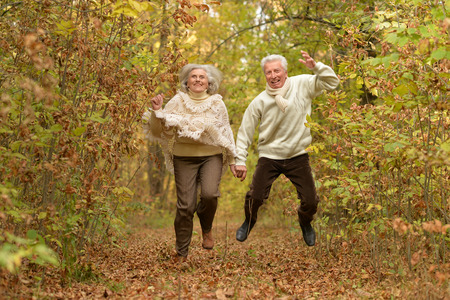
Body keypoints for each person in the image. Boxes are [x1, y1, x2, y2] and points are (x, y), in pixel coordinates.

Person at [233, 51, 339, 246]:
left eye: (276, 70)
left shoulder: (303, 84)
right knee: (254, 197)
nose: (273, 76)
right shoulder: (260, 101)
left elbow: (333, 83)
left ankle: (305, 221)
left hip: (297, 155)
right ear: (265, 76)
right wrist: (239, 160)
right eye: (268, 72)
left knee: (311, 201)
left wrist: (316, 67)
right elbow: (244, 132)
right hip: (270, 156)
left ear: (285, 71)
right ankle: (249, 221)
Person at [142, 64, 237, 258]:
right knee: (185, 206)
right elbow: (157, 131)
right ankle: (181, 252)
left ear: (208, 82)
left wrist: (234, 159)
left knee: (210, 195)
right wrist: (156, 111)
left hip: (212, 156)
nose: (198, 80)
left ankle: (206, 227)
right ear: (187, 82)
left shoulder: (217, 103)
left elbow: (226, 131)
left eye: (202, 77)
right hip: (183, 157)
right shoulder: (177, 101)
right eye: (194, 76)